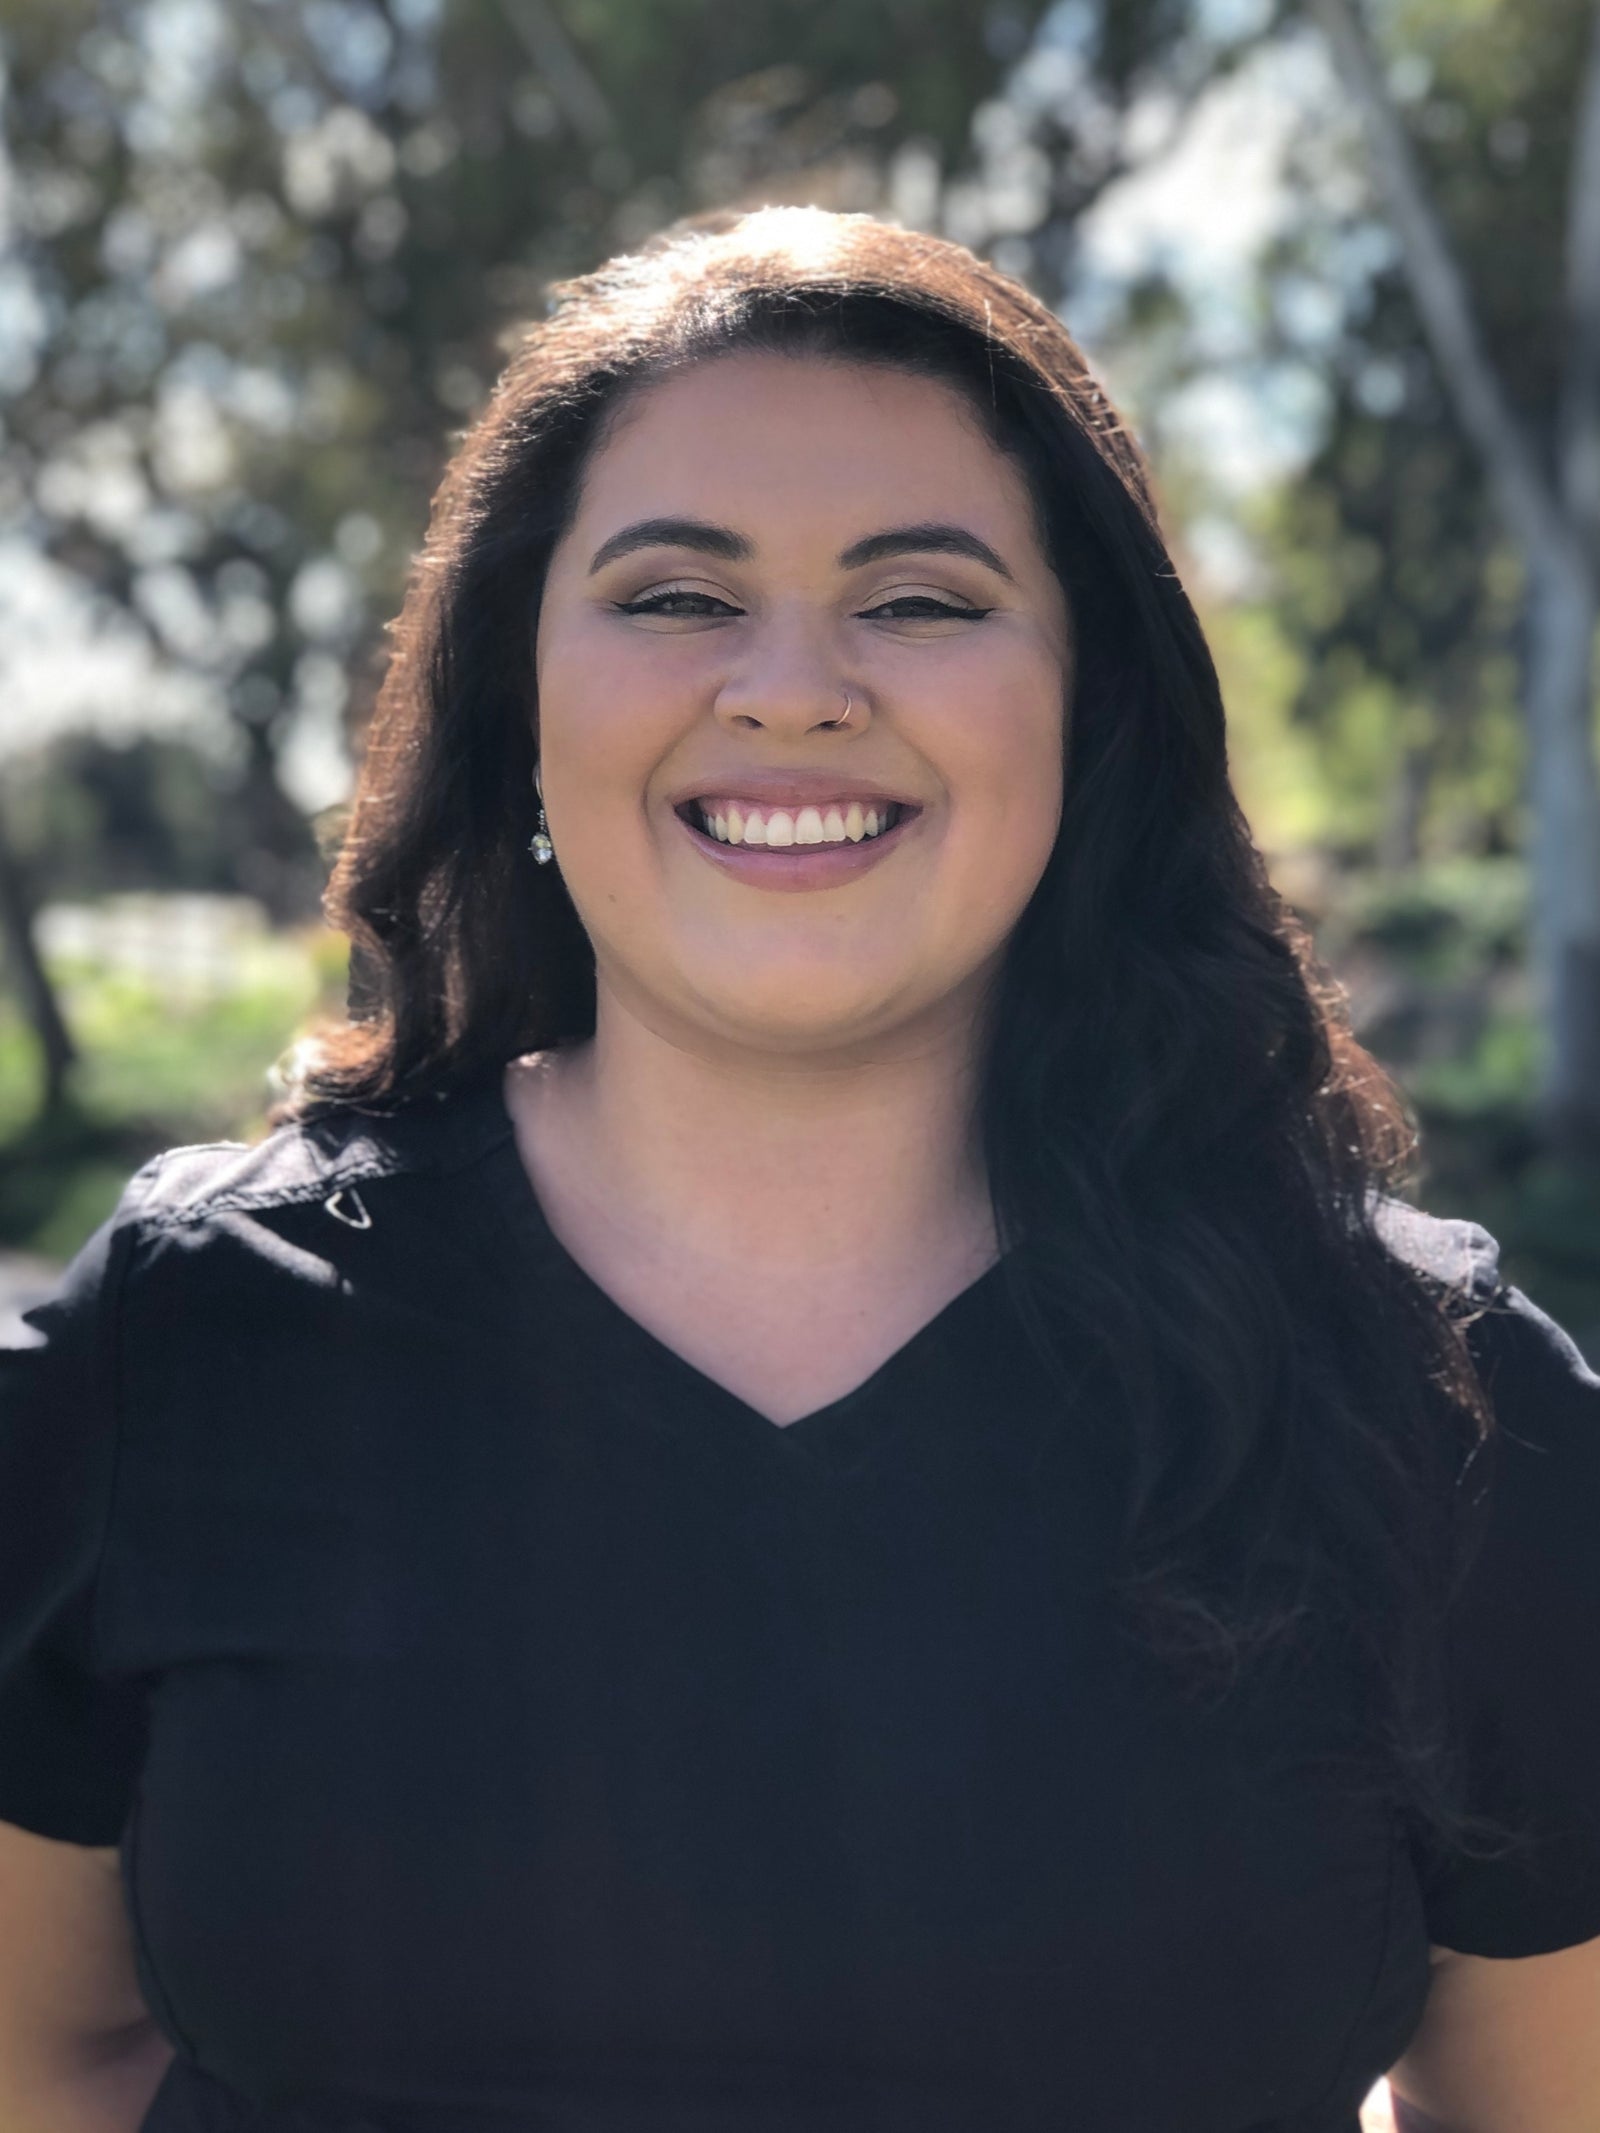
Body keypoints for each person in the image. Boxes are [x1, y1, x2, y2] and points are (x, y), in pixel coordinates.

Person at [1, 207, 1597, 2133]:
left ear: (1091, 712)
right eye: (677, 594)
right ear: (520, 700)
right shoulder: (184, 1347)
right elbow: (48, 2057)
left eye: (920, 600)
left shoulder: (1438, 1410)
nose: (791, 686)